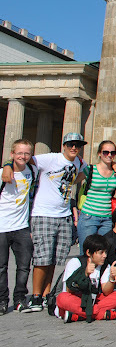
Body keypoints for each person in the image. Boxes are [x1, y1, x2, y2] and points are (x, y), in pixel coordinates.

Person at [2, 133, 87, 313]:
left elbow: (81, 174)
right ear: (64, 145)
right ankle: (35, 295)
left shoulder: (79, 162)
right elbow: (23, 159)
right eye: (71, 144)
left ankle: (46, 294)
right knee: (41, 258)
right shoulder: (50, 159)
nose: (74, 148)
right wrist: (7, 165)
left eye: (77, 145)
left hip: (63, 215)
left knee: (54, 258)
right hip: (43, 214)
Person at [55, 234, 116, 322]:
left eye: (105, 252)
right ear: (89, 253)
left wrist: (112, 279)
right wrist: (84, 274)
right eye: (101, 253)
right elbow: (69, 289)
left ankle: (81, 316)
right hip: (77, 299)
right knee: (62, 298)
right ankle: (103, 314)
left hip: (93, 300)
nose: (104, 256)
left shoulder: (105, 266)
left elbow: (106, 291)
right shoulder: (75, 263)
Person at [0, 139, 36, 314]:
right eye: (19, 153)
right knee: (1, 267)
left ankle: (20, 299)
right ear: (12, 154)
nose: (23, 156)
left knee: (24, 266)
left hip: (22, 226)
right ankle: (2, 301)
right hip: (1, 227)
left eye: (27, 153)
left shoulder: (32, 170)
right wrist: (7, 165)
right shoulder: (2, 173)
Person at [76, 140, 116, 253]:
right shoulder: (90, 170)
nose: (109, 155)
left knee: (103, 254)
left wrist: (115, 165)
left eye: (112, 153)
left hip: (107, 218)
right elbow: (74, 180)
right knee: (86, 253)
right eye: (106, 152)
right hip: (88, 217)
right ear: (99, 153)